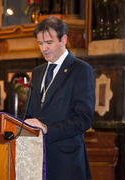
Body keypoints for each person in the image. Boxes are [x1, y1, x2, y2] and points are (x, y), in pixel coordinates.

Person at [24, 16, 95, 180]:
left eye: (49, 43)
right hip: (36, 159)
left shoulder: (80, 70)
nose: (44, 49)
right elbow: (29, 113)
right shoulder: (37, 72)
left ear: (63, 39)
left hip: (66, 163)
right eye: (40, 44)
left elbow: (83, 119)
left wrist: (48, 128)